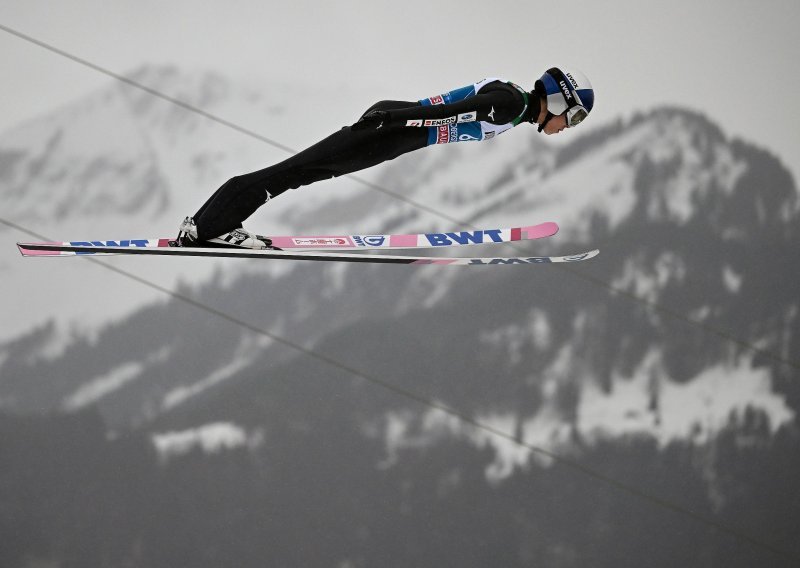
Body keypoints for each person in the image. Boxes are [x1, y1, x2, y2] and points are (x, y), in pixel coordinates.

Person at [177, 67, 595, 248]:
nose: (568, 127)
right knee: (296, 171)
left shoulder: (515, 105)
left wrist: (394, 119)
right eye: (573, 116)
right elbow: (443, 113)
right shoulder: (508, 105)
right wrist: (392, 119)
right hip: (392, 131)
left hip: (395, 129)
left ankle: (203, 225)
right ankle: (214, 225)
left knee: (299, 171)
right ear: (558, 101)